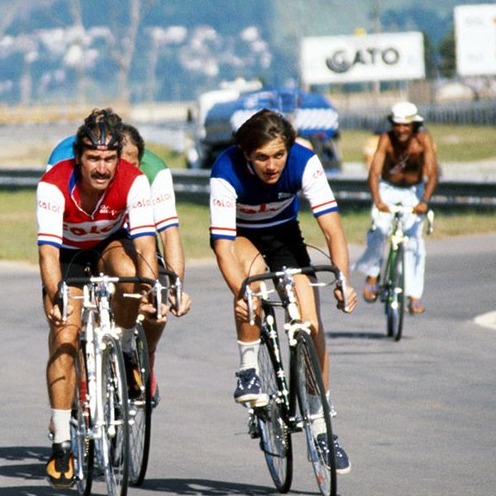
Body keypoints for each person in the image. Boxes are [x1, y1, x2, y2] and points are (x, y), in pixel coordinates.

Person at [209, 108, 357, 473]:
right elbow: (223, 247)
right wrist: (241, 294)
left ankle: (321, 428)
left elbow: (333, 231)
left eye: (278, 155)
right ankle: (247, 367)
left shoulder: (305, 161)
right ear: (246, 154)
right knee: (253, 280)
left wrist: (343, 280)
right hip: (242, 236)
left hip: (284, 236)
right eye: (261, 157)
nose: (272, 165)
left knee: (311, 323)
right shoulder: (225, 170)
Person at [36, 109, 158, 487]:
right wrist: (56, 295)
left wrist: (149, 287)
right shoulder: (54, 185)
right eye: (93, 159)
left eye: (109, 159)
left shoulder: (134, 180)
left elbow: (145, 244)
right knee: (65, 339)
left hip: (109, 245)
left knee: (130, 274)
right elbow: (48, 254)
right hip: (69, 256)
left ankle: (123, 346)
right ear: (79, 158)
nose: (102, 168)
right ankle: (60, 443)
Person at [45, 117, 191, 403]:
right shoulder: (63, 161)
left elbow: (168, 234)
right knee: (70, 327)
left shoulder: (152, 172)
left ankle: (143, 357)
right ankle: (78, 393)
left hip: (123, 233)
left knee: (157, 292)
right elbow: (50, 240)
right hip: (74, 238)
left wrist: (173, 288)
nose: (117, 171)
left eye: (129, 163)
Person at [354, 101, 438, 315]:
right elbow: (373, 173)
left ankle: (414, 296)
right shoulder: (386, 139)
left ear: (414, 126)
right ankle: (373, 274)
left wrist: (424, 201)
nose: (401, 130)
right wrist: (378, 201)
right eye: (397, 125)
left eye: (405, 126)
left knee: (414, 242)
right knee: (378, 230)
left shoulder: (423, 139)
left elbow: (433, 174)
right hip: (387, 188)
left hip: (413, 191)